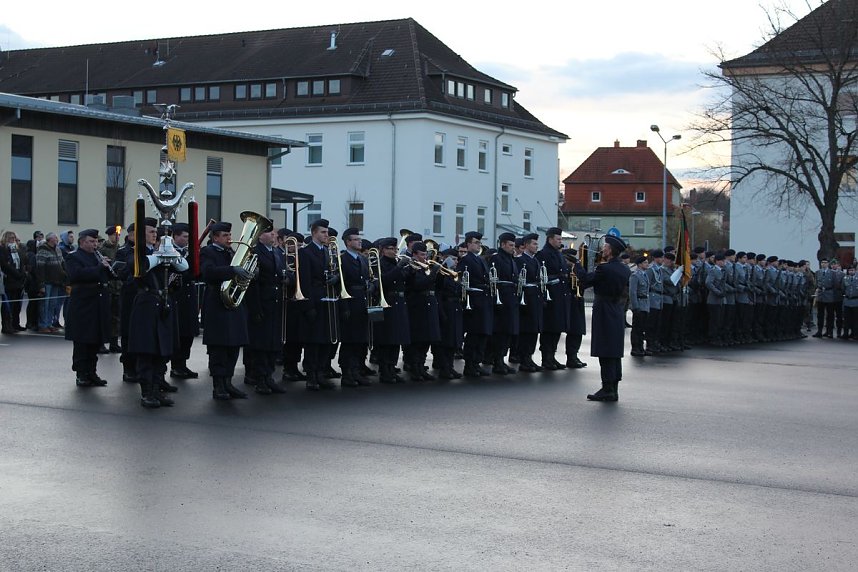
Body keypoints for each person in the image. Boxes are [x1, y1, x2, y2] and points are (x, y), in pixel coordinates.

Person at [127, 219, 188, 408]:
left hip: (164, 303)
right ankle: (147, 392)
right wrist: (160, 257)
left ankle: (156, 388)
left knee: (162, 351)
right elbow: (140, 267)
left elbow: (184, 267)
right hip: (146, 304)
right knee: (147, 351)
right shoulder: (137, 253)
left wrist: (172, 254)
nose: (155, 234)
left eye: (156, 231)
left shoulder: (160, 251)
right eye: (151, 231)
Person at [574, 235, 631, 402]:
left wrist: (577, 264)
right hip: (616, 309)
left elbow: (585, 280)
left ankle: (607, 389)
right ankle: (614, 388)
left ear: (611, 250)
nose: (603, 249)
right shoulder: (624, 269)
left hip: (604, 310)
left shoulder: (604, 269)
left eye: (605, 247)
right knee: (614, 351)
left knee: (605, 350)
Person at [200, 221, 251, 399]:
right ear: (215, 237)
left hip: (234, 304)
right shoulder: (208, 252)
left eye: (229, 235)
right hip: (217, 304)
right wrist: (232, 270)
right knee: (219, 348)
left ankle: (228, 382)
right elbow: (207, 272)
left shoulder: (231, 252)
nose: (229, 238)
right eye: (225, 235)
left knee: (234, 346)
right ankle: (218, 385)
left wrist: (249, 272)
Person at [64, 229, 112, 387]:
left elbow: (104, 277)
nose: (95, 244)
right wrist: (100, 267)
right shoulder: (73, 257)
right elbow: (77, 275)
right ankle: (81, 374)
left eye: (96, 241)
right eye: (91, 241)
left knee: (94, 340)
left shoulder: (96, 256)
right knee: (82, 341)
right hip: (83, 304)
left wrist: (109, 268)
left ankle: (92, 372)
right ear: (82, 242)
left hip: (97, 303)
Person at [243, 225, 287, 394]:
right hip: (261, 302)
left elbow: (283, 272)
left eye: (274, 232)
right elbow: (252, 284)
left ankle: (269, 376)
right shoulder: (254, 252)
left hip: (275, 303)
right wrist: (255, 308)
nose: (274, 235)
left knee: (273, 343)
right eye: (270, 232)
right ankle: (260, 378)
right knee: (261, 344)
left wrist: (287, 278)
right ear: (260, 235)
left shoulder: (276, 252)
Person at [295, 219, 337, 390]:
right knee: (313, 341)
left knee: (327, 340)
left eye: (327, 232)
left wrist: (336, 279)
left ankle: (320, 372)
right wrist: (309, 306)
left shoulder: (327, 251)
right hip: (314, 299)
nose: (326, 235)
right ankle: (311, 375)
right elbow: (304, 281)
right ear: (313, 233)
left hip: (328, 300)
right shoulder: (306, 252)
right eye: (323, 232)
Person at [371, 237, 413, 383]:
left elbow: (404, 282)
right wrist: (400, 267)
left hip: (400, 302)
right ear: (383, 250)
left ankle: (391, 367)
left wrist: (409, 270)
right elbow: (384, 281)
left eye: (395, 249)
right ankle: (384, 370)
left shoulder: (395, 263)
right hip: (388, 302)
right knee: (387, 339)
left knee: (397, 339)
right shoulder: (379, 263)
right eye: (390, 249)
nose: (394, 251)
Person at [337, 228, 373, 387]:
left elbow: (366, 278)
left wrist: (371, 286)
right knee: (349, 340)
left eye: (359, 239)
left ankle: (356, 370)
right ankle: (347, 373)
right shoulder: (342, 259)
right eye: (355, 239)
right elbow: (342, 285)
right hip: (350, 301)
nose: (359, 241)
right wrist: (344, 307)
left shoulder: (363, 259)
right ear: (348, 242)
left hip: (362, 301)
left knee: (360, 340)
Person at [457, 231, 494, 377]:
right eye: (476, 242)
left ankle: (476, 362)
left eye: (479, 242)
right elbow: (463, 280)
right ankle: (470, 364)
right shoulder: (466, 260)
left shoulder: (481, 260)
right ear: (468, 244)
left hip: (483, 300)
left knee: (482, 334)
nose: (479, 245)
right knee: (474, 335)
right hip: (474, 301)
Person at [167, 223, 200, 380]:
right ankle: (176, 365)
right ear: (175, 236)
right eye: (185, 237)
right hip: (177, 295)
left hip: (189, 295)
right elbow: (174, 275)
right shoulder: (169, 251)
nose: (187, 240)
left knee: (188, 333)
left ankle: (183, 363)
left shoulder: (189, 252)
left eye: (189, 237)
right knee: (178, 332)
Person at [405, 241, 441, 381]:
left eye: (425, 255)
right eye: (421, 255)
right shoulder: (412, 267)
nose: (424, 258)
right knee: (418, 341)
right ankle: (415, 369)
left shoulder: (425, 266)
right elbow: (419, 284)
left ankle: (421, 367)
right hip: (417, 307)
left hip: (429, 305)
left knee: (426, 340)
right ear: (414, 255)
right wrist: (433, 273)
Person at [536, 228, 571, 370]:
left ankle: (552, 356)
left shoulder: (558, 254)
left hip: (560, 295)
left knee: (557, 328)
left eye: (561, 239)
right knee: (549, 328)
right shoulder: (543, 254)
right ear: (550, 239)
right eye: (558, 239)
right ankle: (546, 357)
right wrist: (556, 278)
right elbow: (541, 274)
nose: (560, 242)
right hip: (551, 295)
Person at [488, 233, 520, 374]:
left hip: (510, 299)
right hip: (501, 299)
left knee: (507, 332)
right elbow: (494, 279)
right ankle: (497, 361)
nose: (513, 248)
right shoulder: (496, 258)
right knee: (500, 333)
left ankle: (502, 359)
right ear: (502, 245)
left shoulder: (511, 259)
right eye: (510, 245)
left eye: (514, 245)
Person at [517, 233, 545, 372]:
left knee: (534, 331)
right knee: (527, 331)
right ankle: (524, 359)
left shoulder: (536, 261)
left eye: (537, 244)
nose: (536, 246)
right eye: (534, 244)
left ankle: (529, 357)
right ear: (526, 245)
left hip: (536, 297)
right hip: (527, 298)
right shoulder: (520, 260)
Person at [98, 226, 123, 353]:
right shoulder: (102, 249)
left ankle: (114, 342)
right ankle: (101, 343)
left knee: (116, 317)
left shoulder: (120, 249)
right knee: (104, 316)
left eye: (117, 235)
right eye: (114, 235)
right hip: (108, 286)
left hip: (118, 286)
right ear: (109, 236)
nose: (116, 237)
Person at [0, 231, 27, 334]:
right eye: (10, 237)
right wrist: (16, 274)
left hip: (18, 280)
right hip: (8, 280)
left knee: (17, 304)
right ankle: (7, 326)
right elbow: (4, 265)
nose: (13, 239)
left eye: (14, 238)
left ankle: (16, 323)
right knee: (8, 305)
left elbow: (21, 262)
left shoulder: (16, 249)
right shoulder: (3, 249)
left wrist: (21, 274)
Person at [628, 255, 650, 357]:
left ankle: (641, 347)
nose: (647, 264)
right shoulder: (635, 275)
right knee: (637, 327)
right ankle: (635, 347)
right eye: (645, 262)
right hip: (639, 303)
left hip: (645, 303)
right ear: (640, 264)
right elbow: (632, 292)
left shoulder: (645, 275)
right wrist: (635, 306)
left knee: (642, 328)